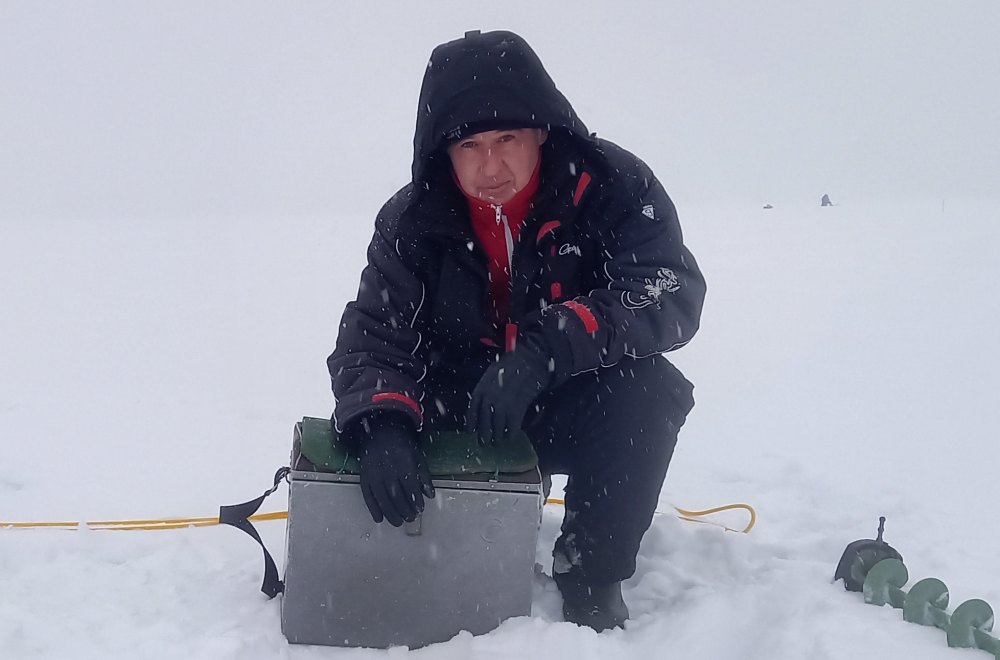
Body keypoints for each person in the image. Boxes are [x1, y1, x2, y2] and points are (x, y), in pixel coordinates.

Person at [328, 29, 706, 632]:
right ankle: (447, 547)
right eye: (470, 145)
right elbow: (376, 334)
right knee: (382, 424)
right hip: (460, 407)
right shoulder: (411, 221)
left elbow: (666, 291)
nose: (491, 167)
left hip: (564, 392)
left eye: (507, 138)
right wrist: (383, 426)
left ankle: (590, 572)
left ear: (542, 130)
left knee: (650, 390)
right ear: (443, 151)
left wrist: (544, 351)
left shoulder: (612, 186)